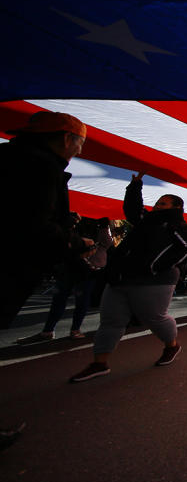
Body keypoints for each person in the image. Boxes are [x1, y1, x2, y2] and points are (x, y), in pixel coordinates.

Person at [69, 172, 187, 382]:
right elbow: (131, 209)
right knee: (110, 321)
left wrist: (155, 267)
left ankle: (172, 346)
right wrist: (135, 186)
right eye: (157, 202)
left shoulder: (180, 228)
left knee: (154, 318)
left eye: (163, 204)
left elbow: (186, 249)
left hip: (154, 281)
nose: (157, 206)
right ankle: (99, 363)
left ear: (176, 208)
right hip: (121, 277)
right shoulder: (145, 221)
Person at [0, 111, 90, 329]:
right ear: (68, 139)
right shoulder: (42, 167)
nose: (79, 151)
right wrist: (78, 243)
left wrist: (63, 220)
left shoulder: (9, 155)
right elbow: (32, 226)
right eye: (81, 144)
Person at [18, 216, 112, 344]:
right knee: (62, 298)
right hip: (73, 265)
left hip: (86, 268)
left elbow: (106, 243)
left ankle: (73, 329)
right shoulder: (75, 223)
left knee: (78, 299)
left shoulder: (99, 225)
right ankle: (50, 330)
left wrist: (103, 227)